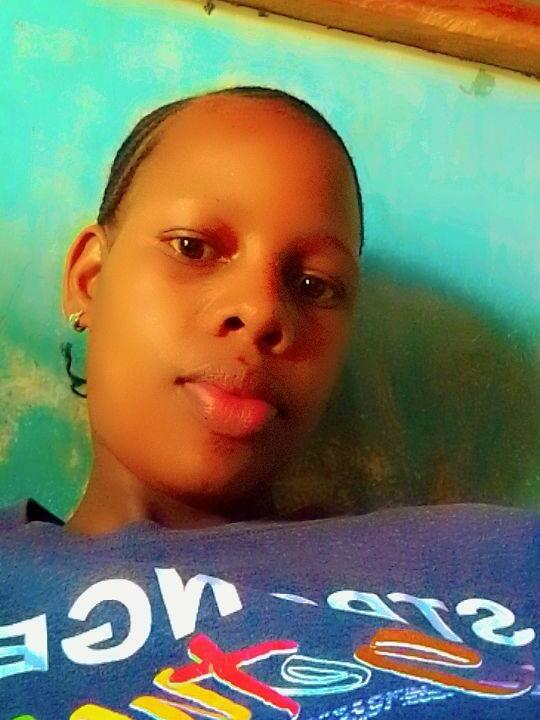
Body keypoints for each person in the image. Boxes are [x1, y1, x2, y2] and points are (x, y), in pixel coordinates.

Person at [0, 86, 538, 719]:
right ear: (90, 279)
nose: (260, 311)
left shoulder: (496, 556)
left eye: (313, 284)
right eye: (193, 247)